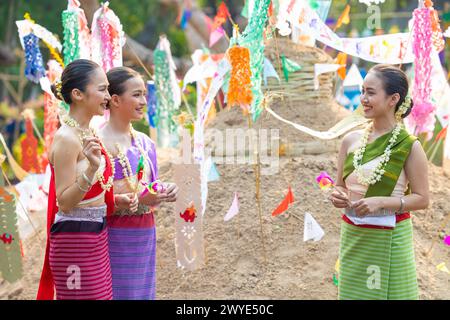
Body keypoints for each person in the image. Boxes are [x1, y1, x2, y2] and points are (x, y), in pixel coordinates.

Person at [37, 59, 138, 300]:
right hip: (74, 239)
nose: (108, 95)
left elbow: (90, 189)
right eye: (102, 89)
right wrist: (92, 169)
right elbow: (64, 202)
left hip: (94, 234)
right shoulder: (67, 139)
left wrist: (114, 199)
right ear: (77, 94)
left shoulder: (87, 132)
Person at [330, 64, 429, 300]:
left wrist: (381, 202)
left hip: (391, 236)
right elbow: (339, 185)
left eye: (371, 93)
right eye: (363, 91)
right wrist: (337, 195)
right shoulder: (351, 140)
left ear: (393, 98)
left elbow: (423, 199)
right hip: (354, 235)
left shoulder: (409, 146)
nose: (363, 98)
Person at [98, 66, 178, 300]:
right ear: (114, 100)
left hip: (145, 233)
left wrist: (165, 189)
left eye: (144, 94)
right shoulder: (97, 143)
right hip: (114, 235)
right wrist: (138, 199)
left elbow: (150, 186)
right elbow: (92, 199)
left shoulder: (145, 143)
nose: (143, 101)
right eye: (136, 95)